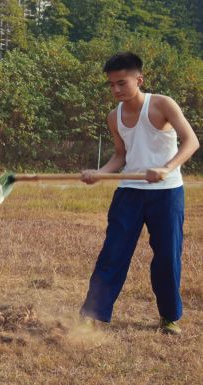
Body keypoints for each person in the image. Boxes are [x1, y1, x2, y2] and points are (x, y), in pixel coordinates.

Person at [79, 52, 200, 335]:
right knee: (113, 253)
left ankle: (169, 317)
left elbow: (191, 140)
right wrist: (100, 173)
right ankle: (93, 313)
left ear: (139, 79)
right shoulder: (114, 117)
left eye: (121, 83)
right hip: (129, 193)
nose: (116, 90)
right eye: (111, 85)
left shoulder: (162, 104)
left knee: (167, 256)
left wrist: (167, 168)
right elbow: (120, 156)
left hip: (166, 193)